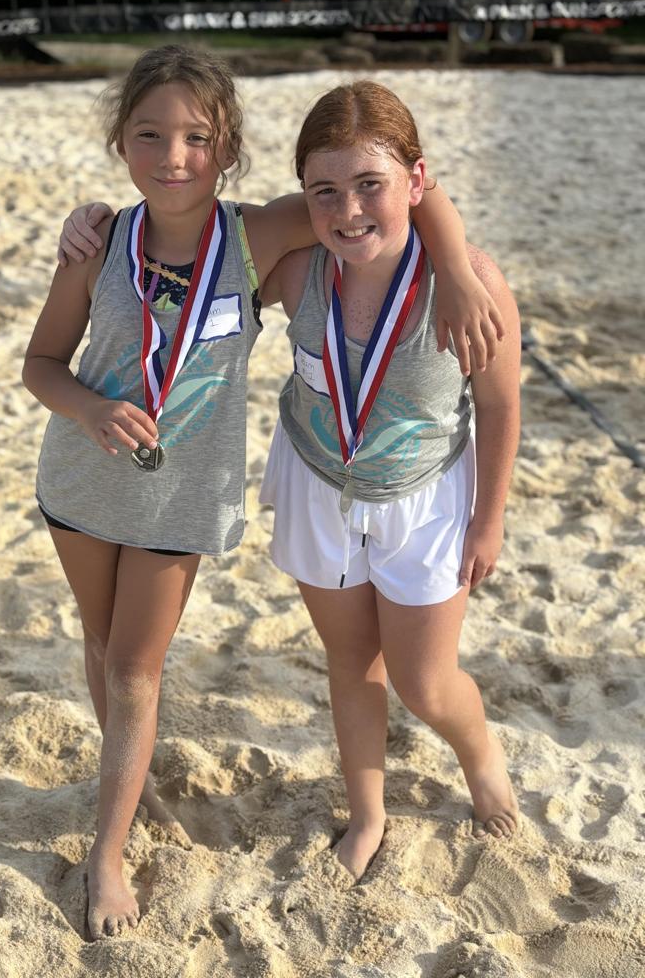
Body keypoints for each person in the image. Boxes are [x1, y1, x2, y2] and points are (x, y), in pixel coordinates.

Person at [26, 46, 503, 941]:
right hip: (80, 481)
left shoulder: (261, 234)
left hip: (180, 498)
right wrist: (87, 405)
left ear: (229, 149)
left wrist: (457, 265)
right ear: (121, 144)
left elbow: (403, 186)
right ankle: (132, 785)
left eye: (196, 138)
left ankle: (107, 854)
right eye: (149, 136)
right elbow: (40, 364)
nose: (174, 156)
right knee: (102, 645)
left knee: (133, 669)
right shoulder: (99, 243)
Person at [258, 80, 521, 881]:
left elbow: (500, 404)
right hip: (318, 484)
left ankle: (480, 756)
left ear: (416, 180)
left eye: (370, 184)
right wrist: (93, 223)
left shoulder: (469, 282)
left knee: (424, 683)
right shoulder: (296, 269)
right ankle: (368, 813)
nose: (348, 211)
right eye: (324, 191)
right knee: (351, 665)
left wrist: (488, 520)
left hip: (427, 497)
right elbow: (189, 243)